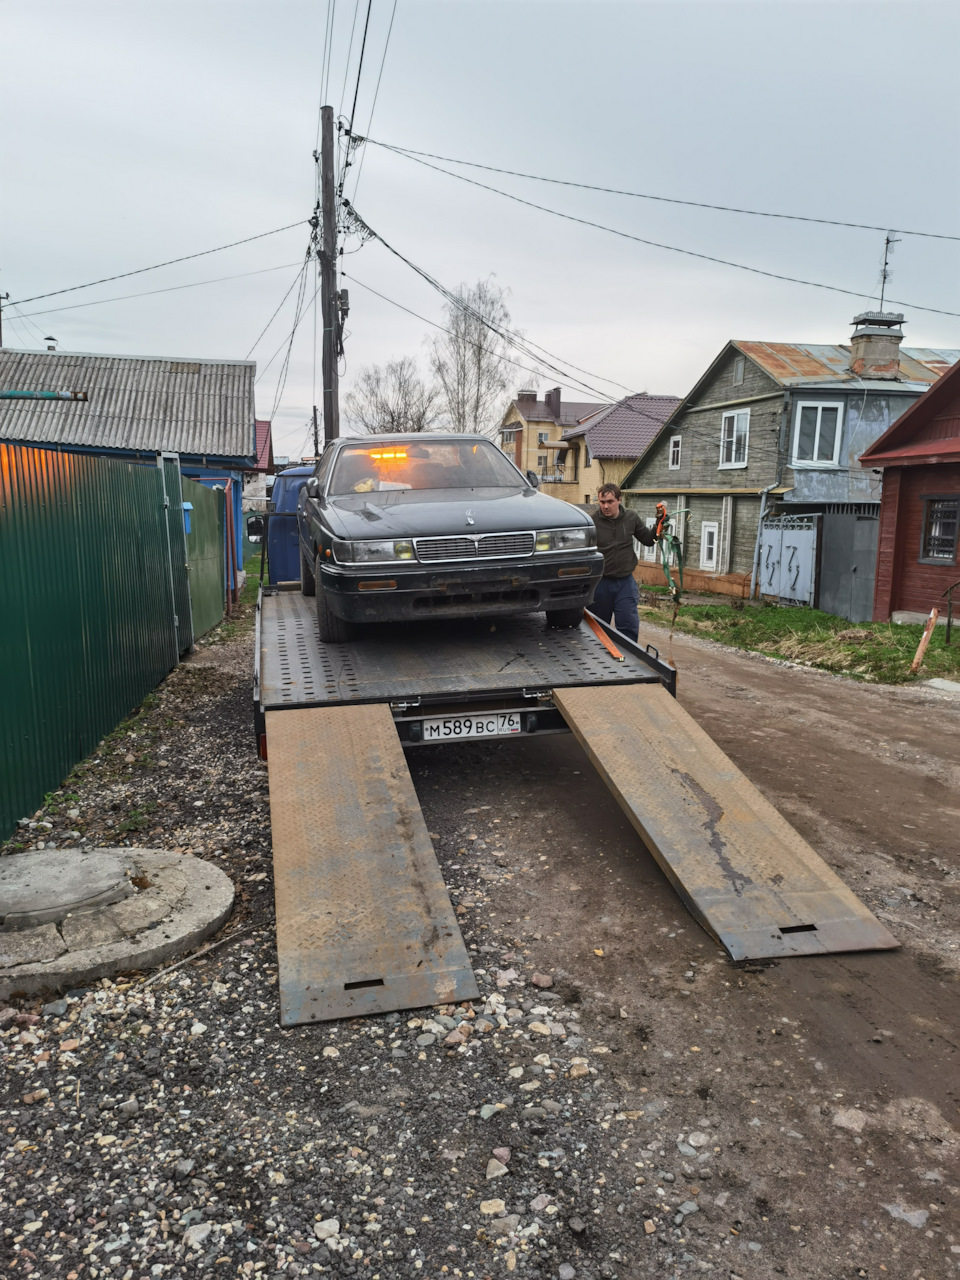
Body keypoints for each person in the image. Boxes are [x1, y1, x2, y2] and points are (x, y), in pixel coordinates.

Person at [590, 482, 656, 641]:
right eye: (602, 502)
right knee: (597, 626)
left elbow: (648, 540)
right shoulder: (592, 521)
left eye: (610, 502)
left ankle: (628, 660)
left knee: (628, 624)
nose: (606, 506)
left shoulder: (631, 517)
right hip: (600, 583)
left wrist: (659, 526)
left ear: (619, 500)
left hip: (625, 583)